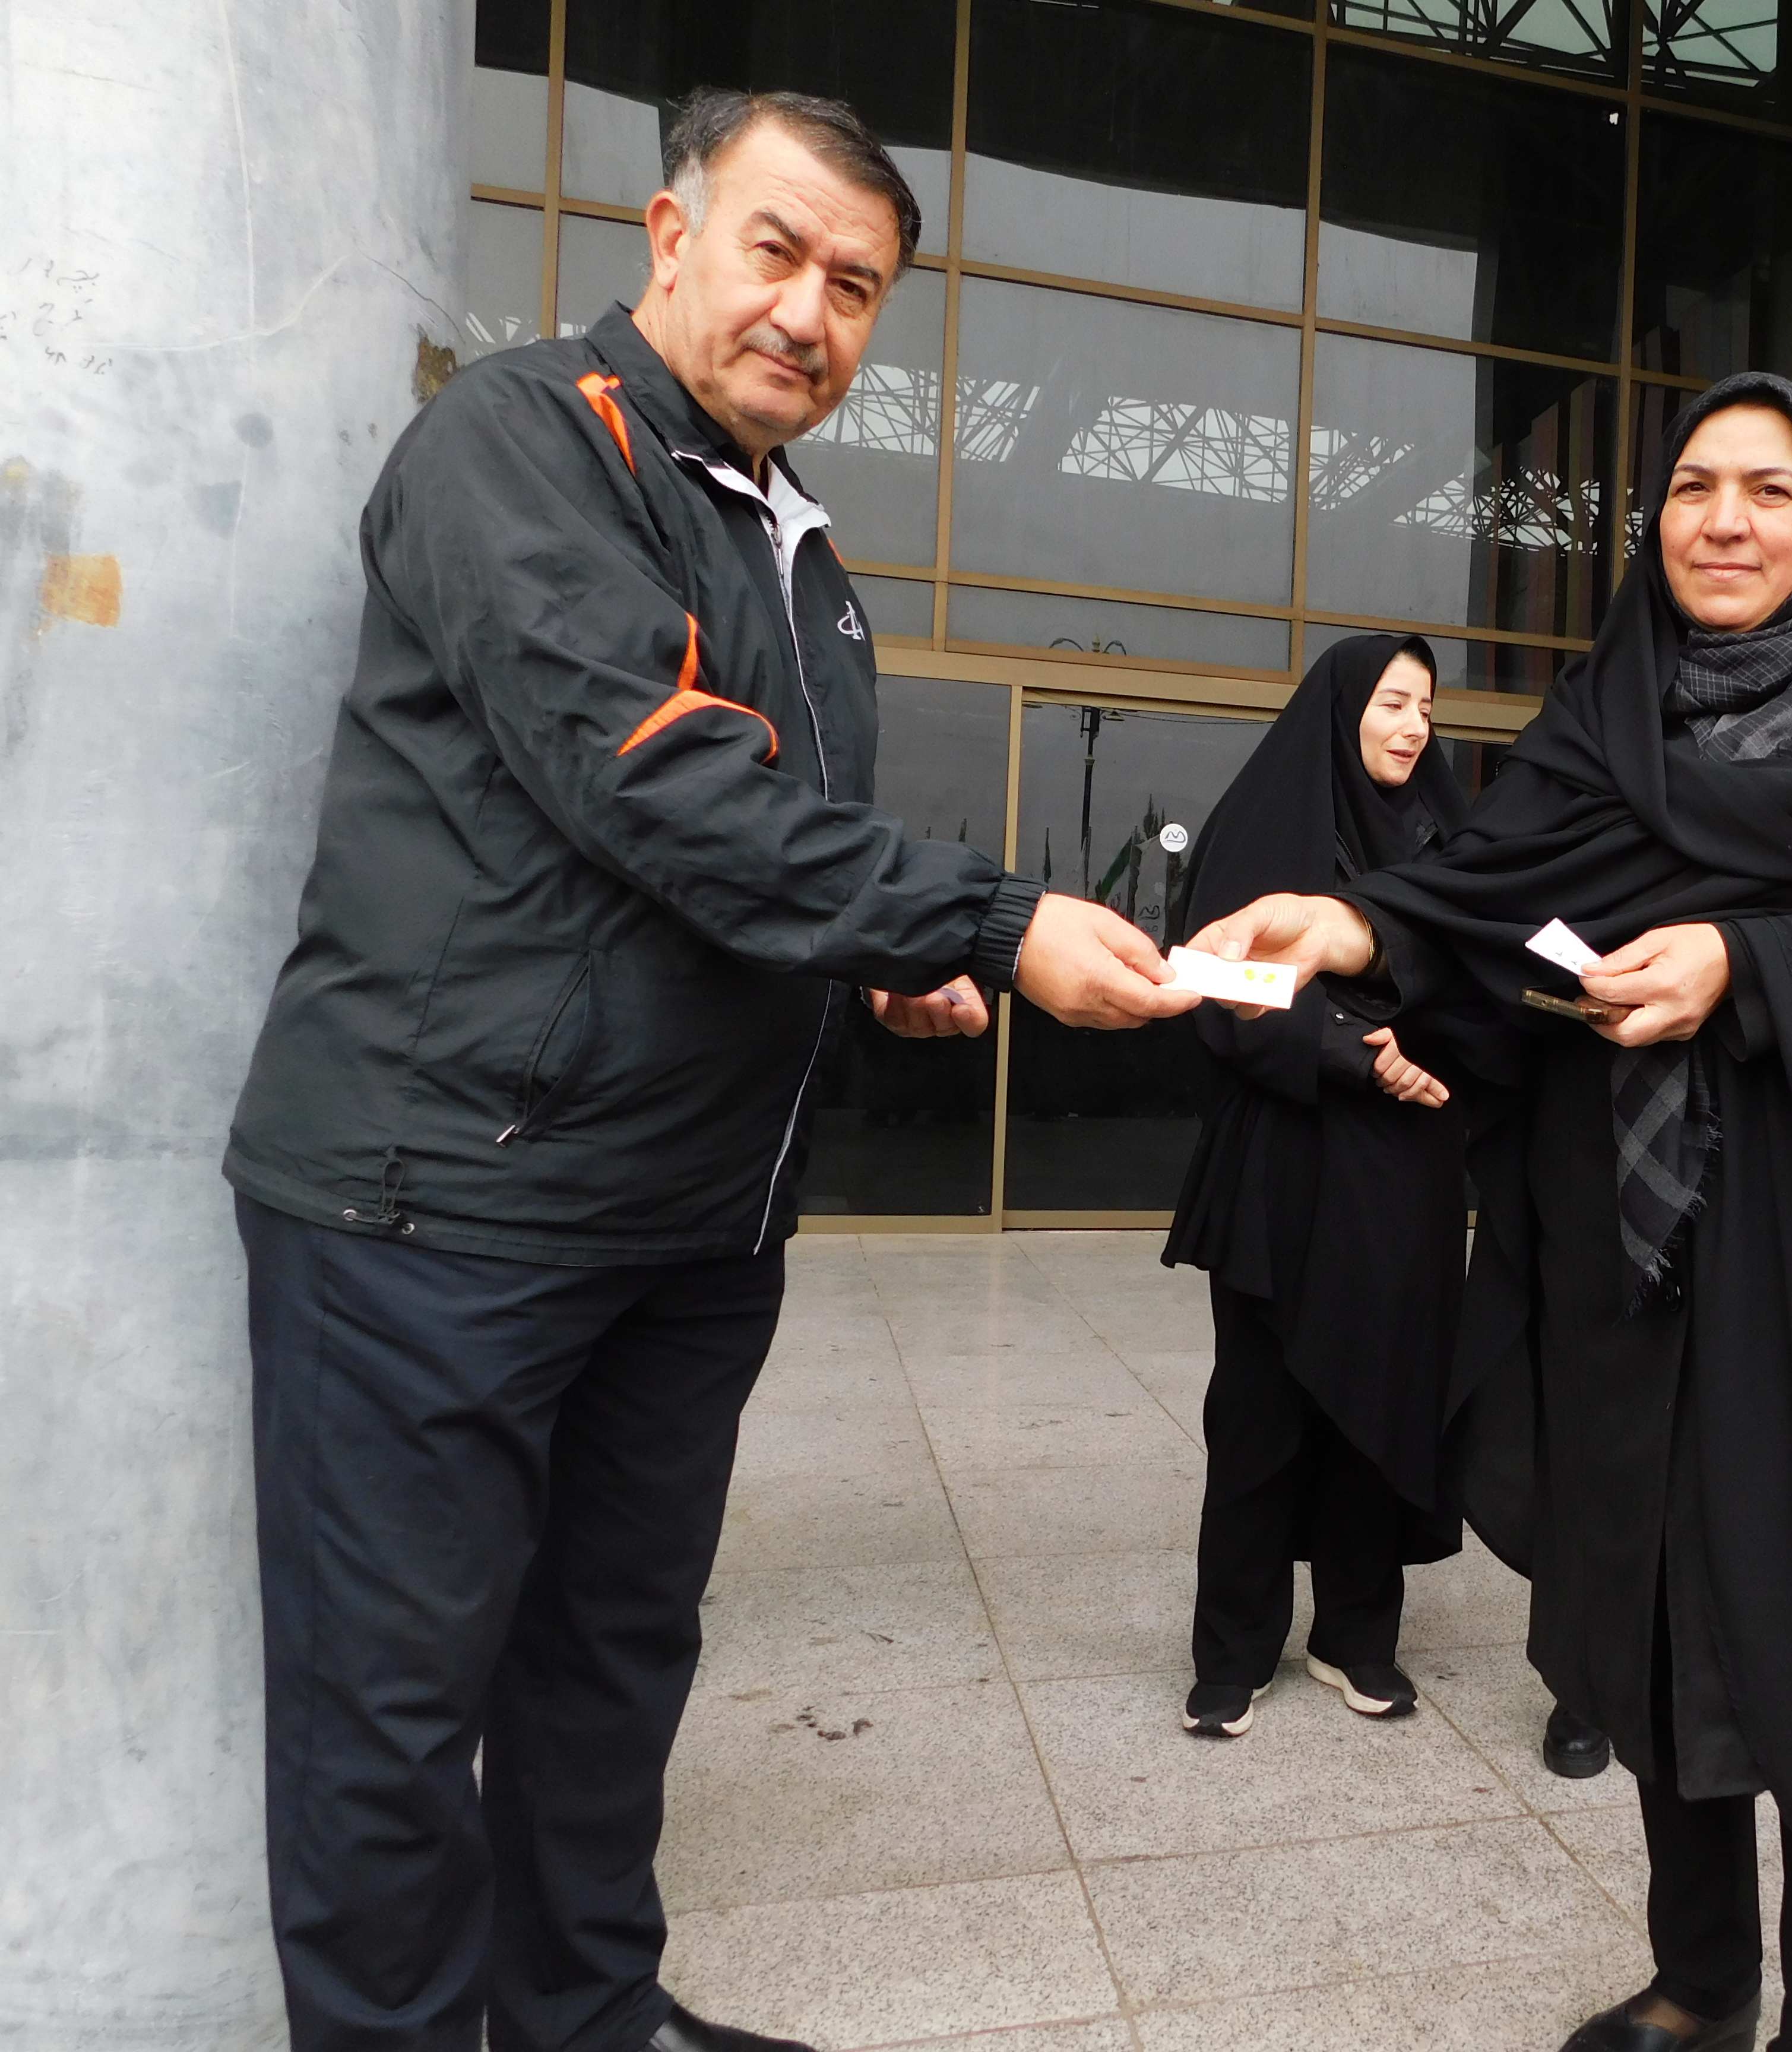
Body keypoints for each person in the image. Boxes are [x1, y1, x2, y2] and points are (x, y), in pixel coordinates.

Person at [222, 89, 1194, 2052]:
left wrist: (877, 972)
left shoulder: (799, 551)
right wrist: (986, 919)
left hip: (683, 1225)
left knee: (612, 1660)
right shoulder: (523, 442)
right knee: (391, 1723)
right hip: (441, 1206)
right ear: (669, 237)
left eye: (858, 286)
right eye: (776, 250)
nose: (809, 312)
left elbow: (747, 867)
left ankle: (587, 2014)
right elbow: (656, 784)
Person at [1191, 373, 1792, 2051]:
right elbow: (1485, 900)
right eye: (1692, 488)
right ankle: (1703, 1980)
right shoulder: (1605, 707)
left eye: (1769, 489)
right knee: (1659, 1617)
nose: (1724, 521)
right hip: (1633, 1259)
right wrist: (1354, 928)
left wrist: (1748, 960)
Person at [1163, 634, 1473, 1736]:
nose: (1413, 726)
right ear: (1342, 710)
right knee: (1260, 1415)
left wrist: (1427, 1046)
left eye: (1426, 708)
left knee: (1375, 1408)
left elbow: (1480, 975)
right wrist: (1354, 1050)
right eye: (1392, 702)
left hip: (1402, 1178)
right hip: (1283, 1168)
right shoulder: (1269, 821)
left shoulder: (1449, 837)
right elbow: (1217, 980)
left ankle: (1358, 1635)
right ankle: (1233, 1648)